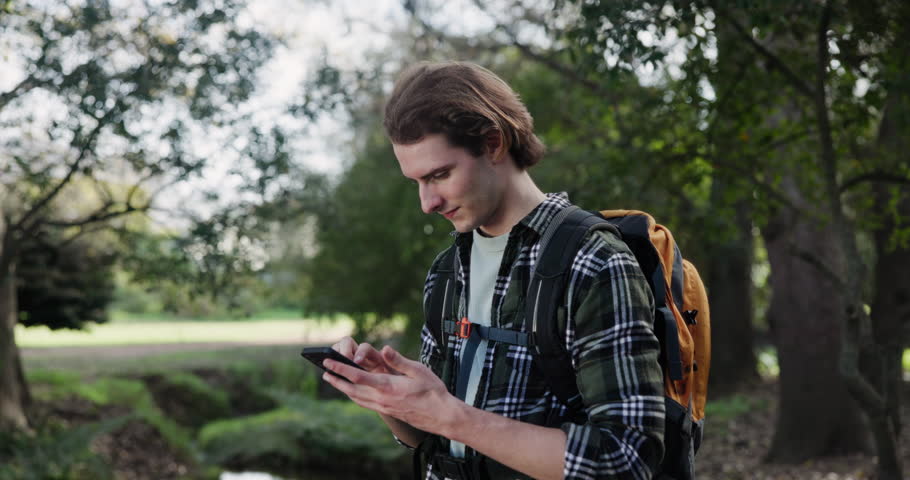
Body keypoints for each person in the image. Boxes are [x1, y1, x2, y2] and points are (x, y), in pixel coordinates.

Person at [323, 61, 665, 480]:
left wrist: (452, 417)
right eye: (416, 181)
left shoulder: (592, 260)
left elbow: (626, 460)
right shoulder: (447, 270)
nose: (426, 202)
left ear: (493, 144)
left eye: (439, 175)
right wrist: (387, 396)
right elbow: (430, 438)